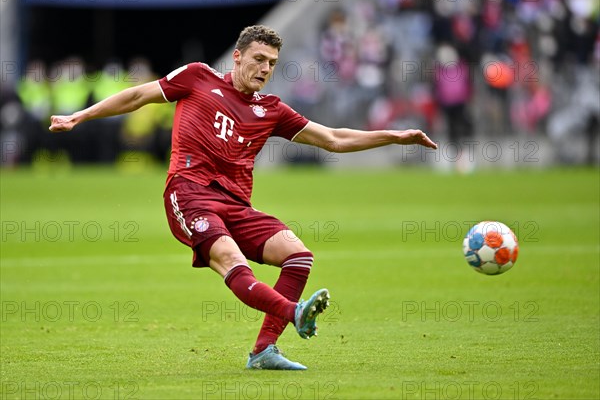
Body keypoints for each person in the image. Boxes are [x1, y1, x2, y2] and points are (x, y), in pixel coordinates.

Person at [49, 25, 438, 370]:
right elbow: (137, 97)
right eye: (258, 59)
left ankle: (264, 350)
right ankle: (295, 312)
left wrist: (394, 136)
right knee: (230, 259)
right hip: (190, 193)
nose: (265, 69)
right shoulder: (197, 77)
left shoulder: (271, 110)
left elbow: (333, 139)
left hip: (236, 206)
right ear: (237, 57)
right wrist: (79, 117)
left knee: (298, 256)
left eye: (272, 63)